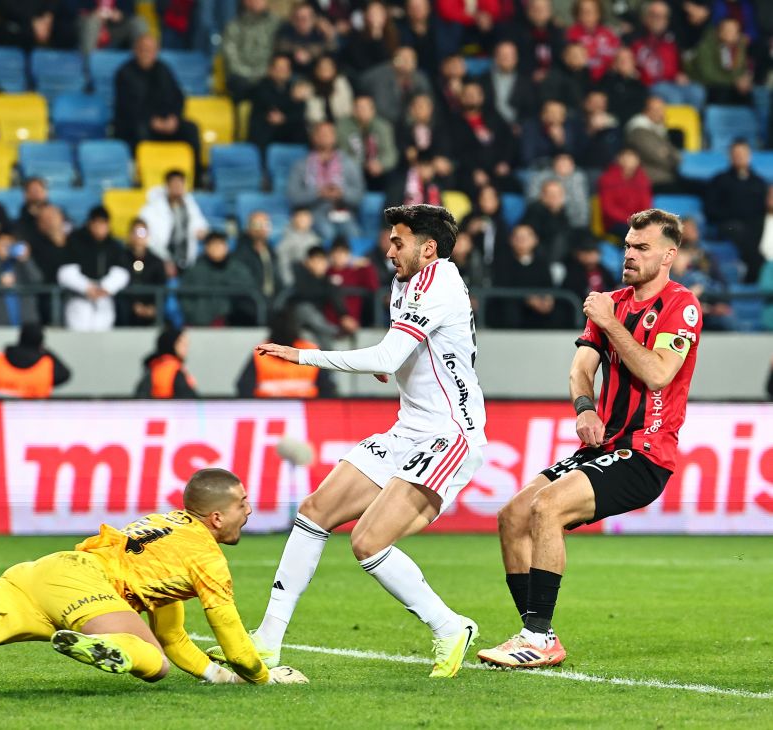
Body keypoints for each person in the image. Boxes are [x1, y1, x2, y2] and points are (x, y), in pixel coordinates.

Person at [210, 204, 486, 678]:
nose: (388, 250)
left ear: (428, 248)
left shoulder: (438, 281)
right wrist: (391, 362)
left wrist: (304, 356)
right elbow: (403, 352)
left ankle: (448, 626)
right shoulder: (405, 282)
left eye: (398, 242)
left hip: (449, 435)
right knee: (314, 510)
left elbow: (387, 354)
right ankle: (268, 642)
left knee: (368, 542)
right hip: (408, 429)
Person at [0, 464, 307, 685]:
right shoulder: (207, 558)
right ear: (217, 517)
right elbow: (234, 643)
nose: (250, 510)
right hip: (86, 588)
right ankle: (107, 646)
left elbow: (174, 634)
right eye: (243, 503)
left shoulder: (168, 528)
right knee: (153, 664)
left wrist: (219, 677)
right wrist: (263, 677)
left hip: (43, 574)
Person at [477, 208, 702, 669]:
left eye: (642, 248)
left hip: (645, 453)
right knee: (512, 515)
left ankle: (537, 637)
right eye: (627, 245)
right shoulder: (611, 303)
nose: (629, 255)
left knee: (547, 507)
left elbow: (658, 374)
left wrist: (610, 321)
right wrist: (585, 408)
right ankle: (537, 633)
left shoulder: (681, 306)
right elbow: (581, 369)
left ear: (668, 256)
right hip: (601, 447)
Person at [112, 34, 201, 177]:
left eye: (151, 50)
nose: (146, 54)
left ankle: (196, 179)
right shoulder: (124, 73)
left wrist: (174, 118)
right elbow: (127, 108)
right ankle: (143, 177)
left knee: (191, 129)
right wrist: (152, 121)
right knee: (140, 131)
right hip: (138, 125)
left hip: (166, 123)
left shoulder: (163, 69)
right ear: (135, 50)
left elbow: (178, 98)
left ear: (156, 52)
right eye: (143, 49)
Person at [286, 121, 365, 242]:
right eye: (322, 134)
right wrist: (318, 193)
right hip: (314, 212)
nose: (326, 137)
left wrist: (341, 193)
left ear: (335, 137)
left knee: (354, 234)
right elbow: (293, 197)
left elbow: (359, 195)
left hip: (342, 212)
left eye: (329, 133)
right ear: (314, 137)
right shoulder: (301, 165)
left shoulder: (349, 163)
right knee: (327, 232)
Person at [58, 206, 130, 332]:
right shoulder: (75, 241)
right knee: (78, 337)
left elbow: (122, 273)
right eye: (97, 223)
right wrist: (86, 287)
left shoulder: (114, 246)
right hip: (79, 299)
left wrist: (106, 287)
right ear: (90, 223)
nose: (100, 227)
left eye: (103, 223)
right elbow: (65, 272)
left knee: (103, 337)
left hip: (104, 300)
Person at [704, 139, 767, 283]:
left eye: (743, 153)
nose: (740, 157)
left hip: (755, 227)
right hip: (729, 226)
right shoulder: (719, 180)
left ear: (749, 155)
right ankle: (758, 268)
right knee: (738, 230)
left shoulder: (759, 182)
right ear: (730, 156)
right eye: (736, 153)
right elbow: (711, 209)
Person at [237, 308, 334, 398]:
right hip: (269, 408)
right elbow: (245, 388)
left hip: (306, 407)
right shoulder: (261, 353)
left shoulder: (310, 351)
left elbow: (327, 389)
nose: (284, 329)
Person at [138, 170, 209, 277]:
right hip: (159, 258)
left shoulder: (189, 204)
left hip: (186, 259)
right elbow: (141, 232)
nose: (177, 188)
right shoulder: (151, 208)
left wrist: (201, 230)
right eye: (174, 184)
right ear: (167, 186)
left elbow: (199, 222)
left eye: (180, 184)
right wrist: (163, 259)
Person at [179, 232, 258, 326]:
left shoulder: (239, 270)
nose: (217, 248)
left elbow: (250, 293)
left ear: (226, 247)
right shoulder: (194, 271)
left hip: (233, 324)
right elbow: (185, 298)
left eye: (220, 244)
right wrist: (195, 316)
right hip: (200, 324)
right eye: (213, 244)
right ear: (206, 248)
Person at [0, 226, 43, 326]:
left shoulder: (21, 263)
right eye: (3, 244)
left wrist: (26, 260)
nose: (7, 248)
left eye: (10, 244)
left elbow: (37, 280)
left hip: (25, 323)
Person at [0, 322, 71, 398]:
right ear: (41, 343)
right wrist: (46, 351)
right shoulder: (47, 364)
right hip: (36, 413)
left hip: (1, 412)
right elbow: (65, 374)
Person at [337, 95, 398, 193]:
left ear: (373, 110)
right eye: (358, 108)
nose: (361, 111)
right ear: (353, 110)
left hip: (378, 168)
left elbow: (390, 154)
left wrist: (381, 164)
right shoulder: (343, 127)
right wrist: (364, 164)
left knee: (393, 175)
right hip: (355, 167)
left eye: (365, 108)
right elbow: (343, 153)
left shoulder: (383, 126)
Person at [222, 0, 281, 101]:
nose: (257, 1)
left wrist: (271, 72)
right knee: (240, 83)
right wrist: (253, 75)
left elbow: (282, 51)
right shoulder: (235, 25)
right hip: (242, 77)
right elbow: (230, 57)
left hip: (269, 76)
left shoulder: (277, 24)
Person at [118, 218, 168, 327]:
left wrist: (152, 308)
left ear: (148, 235)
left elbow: (162, 288)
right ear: (130, 235)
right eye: (135, 232)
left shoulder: (156, 262)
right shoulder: (120, 259)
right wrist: (134, 305)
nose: (138, 237)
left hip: (150, 316)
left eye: (142, 233)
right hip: (125, 316)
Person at [597, 146, 652, 239]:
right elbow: (608, 207)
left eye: (632, 157)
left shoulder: (642, 179)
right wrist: (628, 219)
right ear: (619, 159)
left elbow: (645, 205)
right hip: (614, 223)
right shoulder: (608, 179)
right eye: (626, 156)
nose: (629, 160)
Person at [135, 326, 197, 398]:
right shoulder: (172, 370)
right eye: (184, 345)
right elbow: (187, 399)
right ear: (172, 344)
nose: (186, 349)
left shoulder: (154, 367)